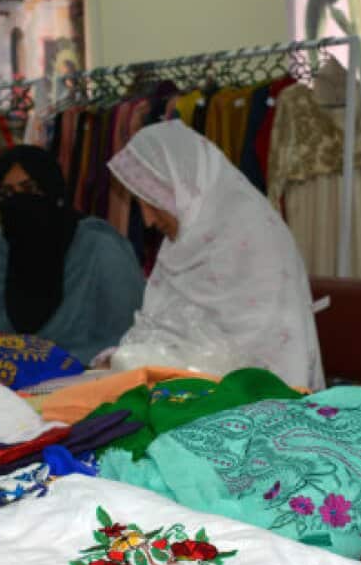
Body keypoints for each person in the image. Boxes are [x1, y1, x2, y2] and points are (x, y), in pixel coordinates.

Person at [107, 120, 324, 389]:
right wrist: (128, 357)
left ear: (182, 186)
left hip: (261, 401)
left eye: (151, 200)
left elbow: (270, 356)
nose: (148, 220)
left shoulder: (252, 236)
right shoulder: (187, 238)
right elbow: (163, 327)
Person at [0, 145, 144, 364]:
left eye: (30, 188)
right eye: (7, 193)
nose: (19, 201)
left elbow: (127, 334)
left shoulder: (99, 247)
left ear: (53, 191)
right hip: (3, 373)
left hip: (85, 373)